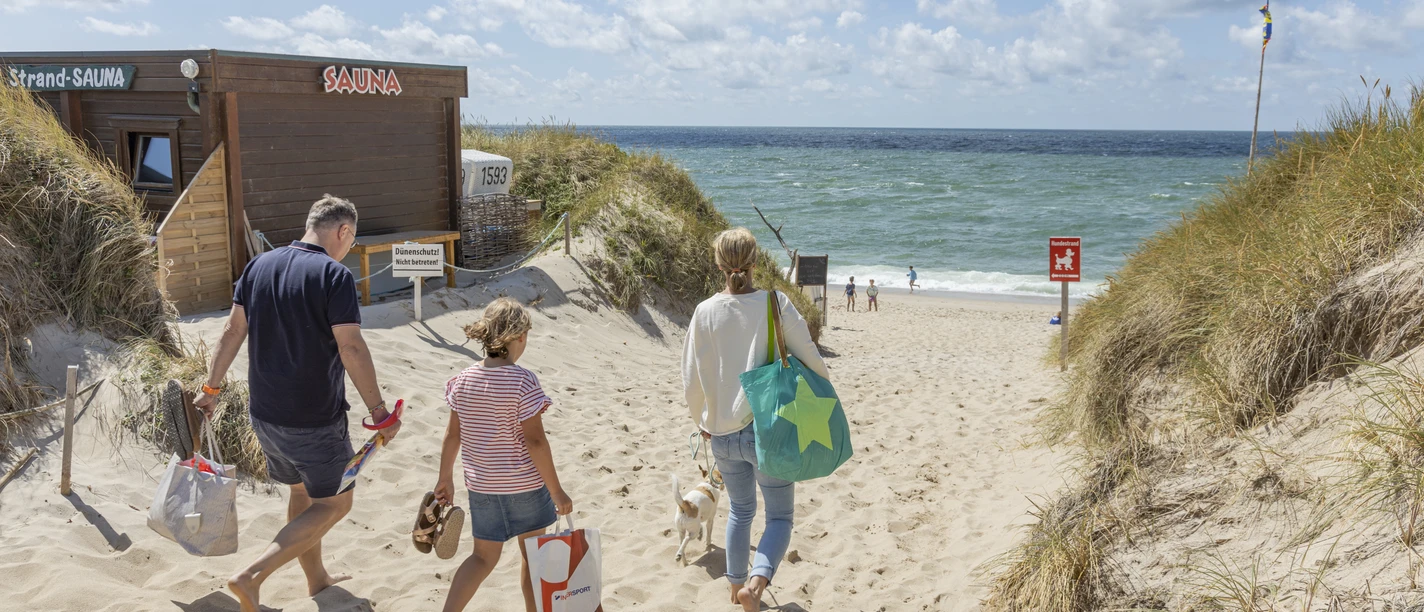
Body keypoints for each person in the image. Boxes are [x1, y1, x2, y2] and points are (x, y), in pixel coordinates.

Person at [195, 195, 401, 612]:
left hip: (265, 414)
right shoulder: (333, 275)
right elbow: (352, 348)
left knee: (302, 495)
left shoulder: (258, 266)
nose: (349, 247)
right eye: (352, 239)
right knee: (336, 502)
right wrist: (380, 412)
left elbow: (232, 331)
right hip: (313, 419)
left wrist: (211, 390)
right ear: (343, 231)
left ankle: (316, 578)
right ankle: (251, 577)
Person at [683, 227, 831, 612]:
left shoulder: (704, 311)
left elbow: (692, 375)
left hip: (721, 434)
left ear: (718, 265)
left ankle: (734, 588)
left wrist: (703, 418)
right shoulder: (775, 304)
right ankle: (756, 584)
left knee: (741, 510)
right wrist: (822, 386)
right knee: (780, 514)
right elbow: (810, 355)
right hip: (767, 430)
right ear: (754, 262)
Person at [435, 297, 573, 612]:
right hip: (524, 485)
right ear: (520, 337)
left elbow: (452, 435)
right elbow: (536, 443)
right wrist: (556, 490)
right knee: (534, 557)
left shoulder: (463, 380)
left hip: (482, 486)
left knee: (482, 557)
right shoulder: (523, 381)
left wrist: (445, 478)